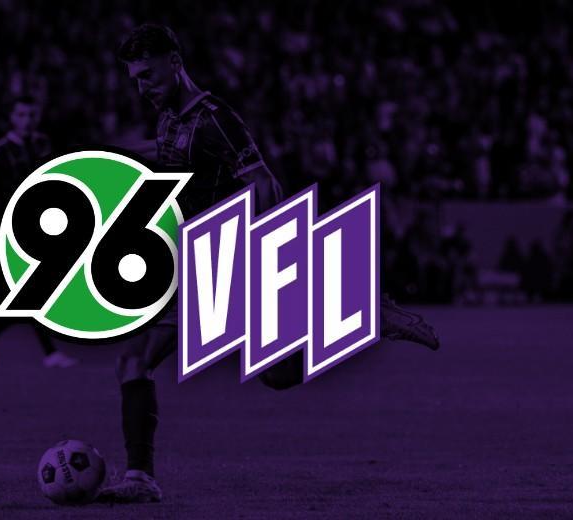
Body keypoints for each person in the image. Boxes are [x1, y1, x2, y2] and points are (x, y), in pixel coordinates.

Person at [98, 24, 440, 503]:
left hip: (221, 262)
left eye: (148, 75)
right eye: (135, 79)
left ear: (175, 62)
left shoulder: (216, 118)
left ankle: (140, 478)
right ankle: (358, 316)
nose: (142, 87)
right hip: (192, 262)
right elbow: (173, 158)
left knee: (137, 359)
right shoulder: (169, 117)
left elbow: (265, 183)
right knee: (277, 374)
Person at [0, 96, 77, 369]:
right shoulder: (0, 150)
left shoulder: (41, 144)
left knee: (24, 291)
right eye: (22, 115)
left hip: (36, 226)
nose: (27, 120)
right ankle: (44, 352)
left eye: (32, 115)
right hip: (6, 229)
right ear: (12, 118)